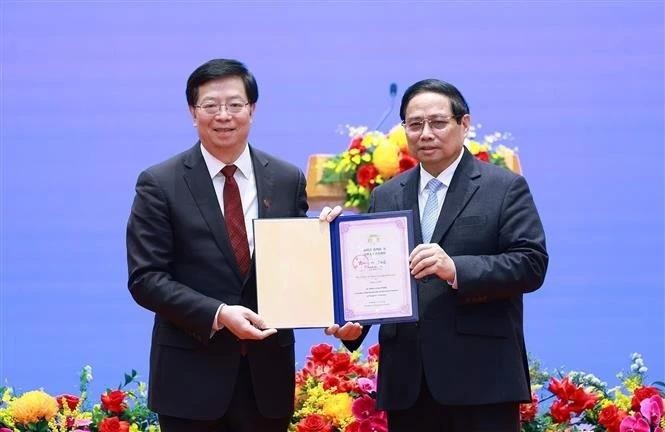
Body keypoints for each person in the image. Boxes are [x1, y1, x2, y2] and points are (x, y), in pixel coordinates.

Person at [126, 58, 339, 432]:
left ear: (252, 110)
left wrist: (328, 242)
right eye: (211, 105)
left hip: (266, 381)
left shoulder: (286, 178)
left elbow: (295, 264)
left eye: (235, 104)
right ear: (193, 112)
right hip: (190, 379)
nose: (223, 115)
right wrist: (220, 314)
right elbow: (146, 279)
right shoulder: (160, 183)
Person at [325, 79, 548, 432]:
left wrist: (455, 268)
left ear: (464, 124)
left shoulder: (503, 187)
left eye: (437, 122)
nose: (425, 133)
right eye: (415, 124)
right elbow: (373, 272)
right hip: (408, 383)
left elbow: (530, 264)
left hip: (482, 379)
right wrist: (354, 326)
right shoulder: (386, 195)